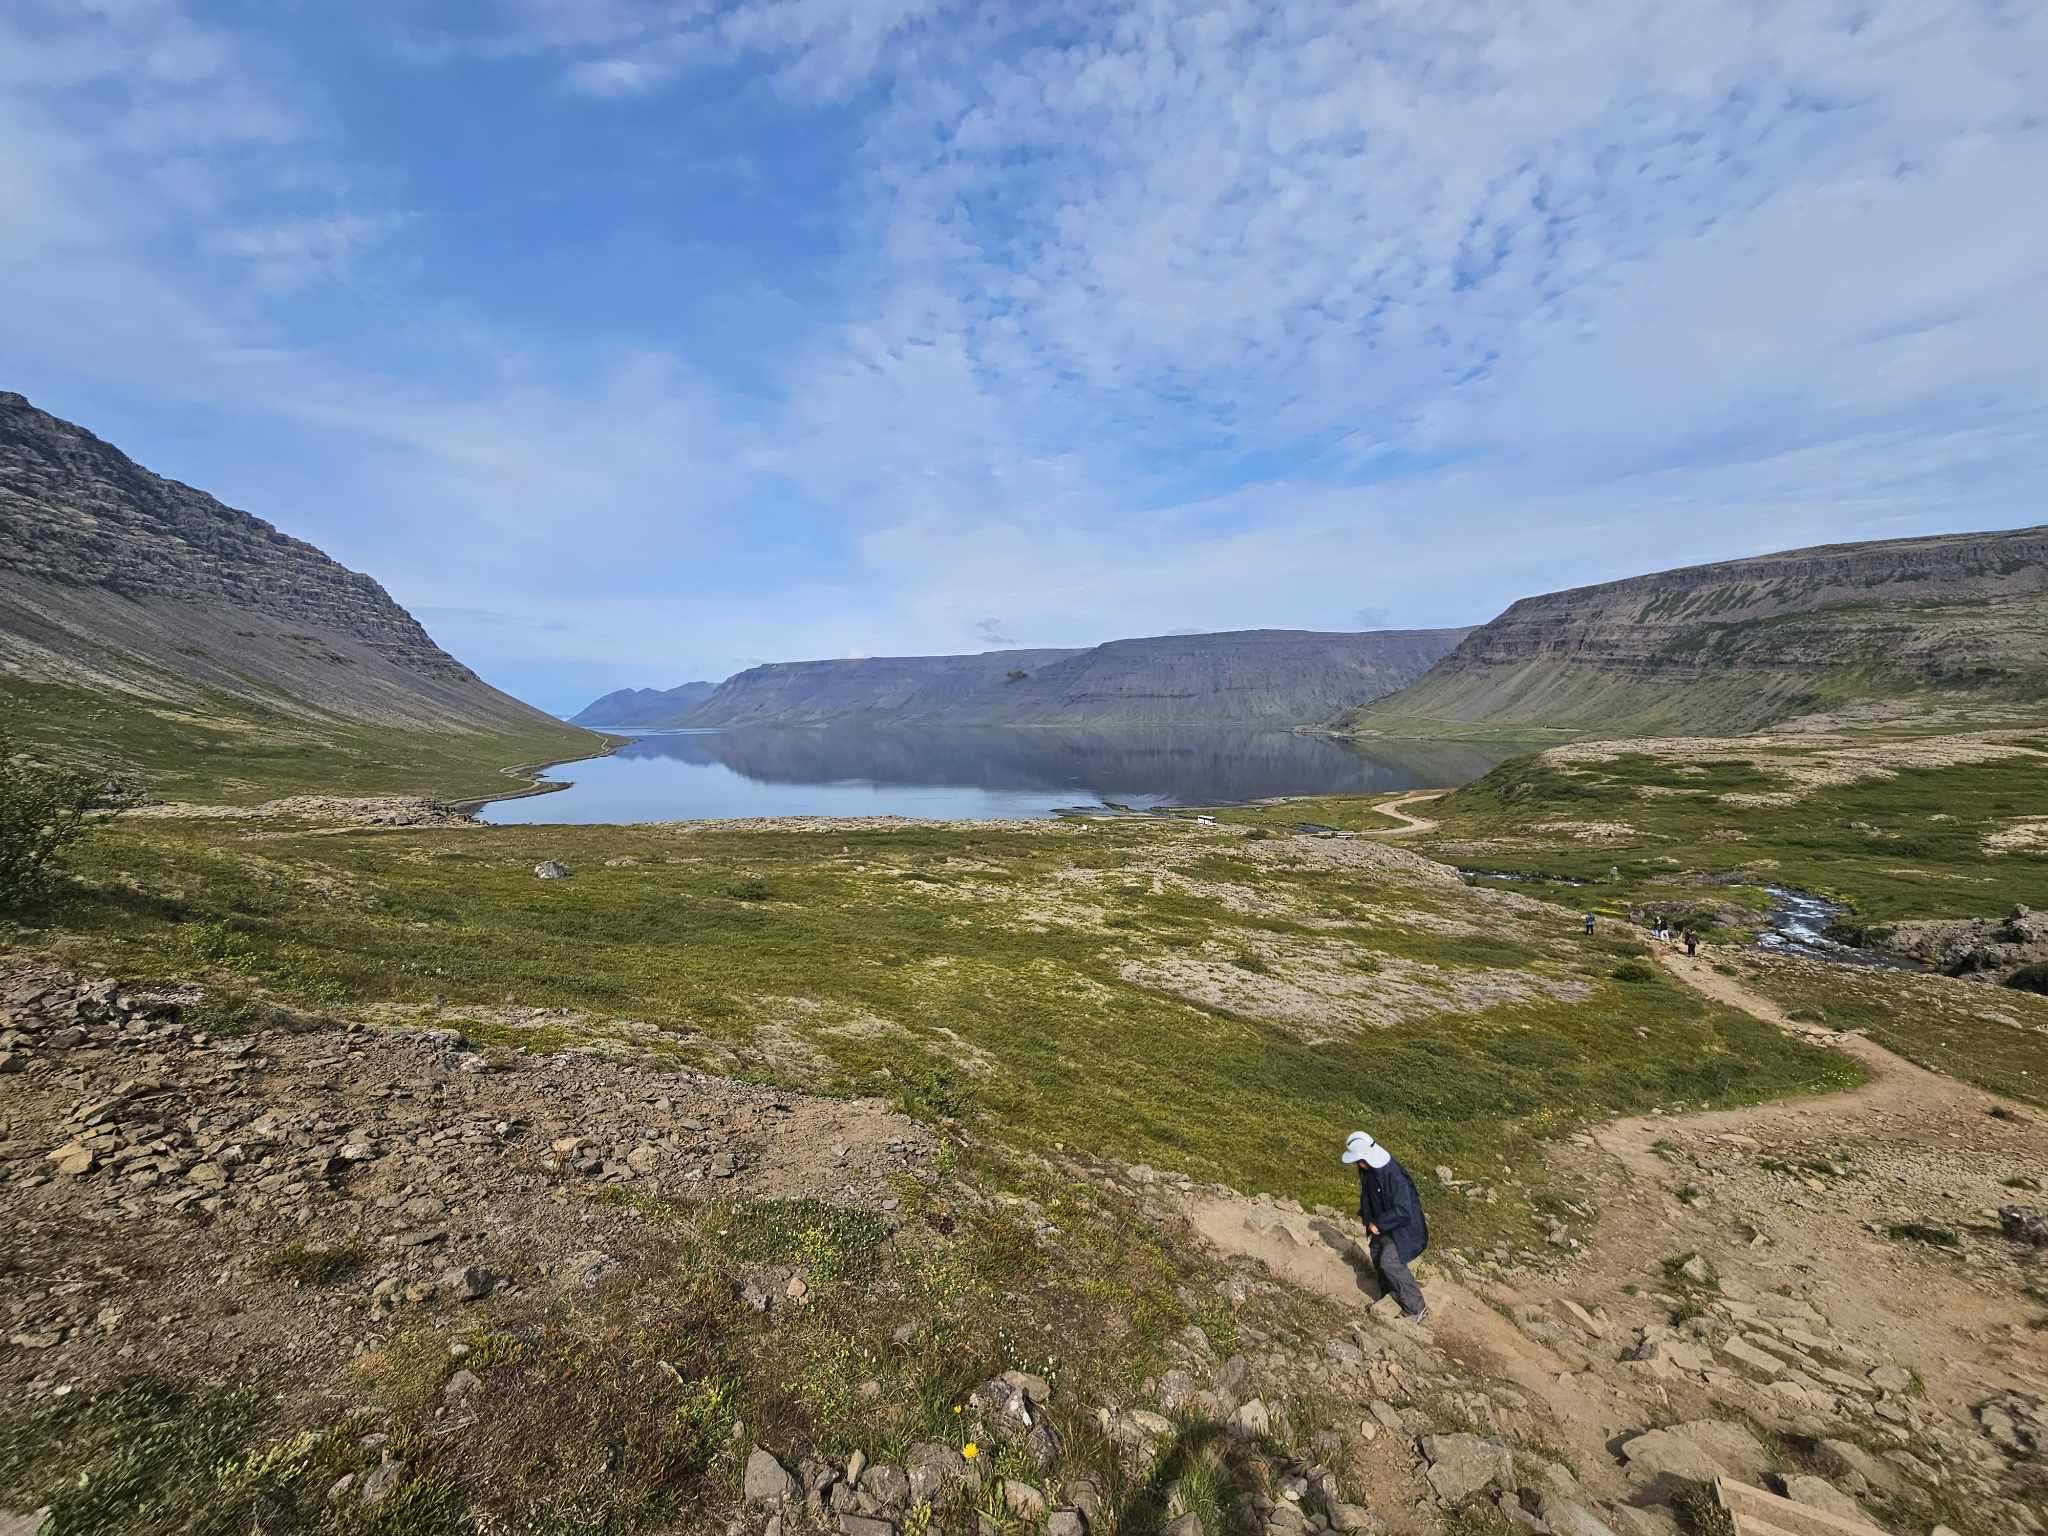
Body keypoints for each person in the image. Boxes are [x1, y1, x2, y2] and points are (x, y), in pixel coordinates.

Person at [1342, 1131, 1429, 1322]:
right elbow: (1369, 1196)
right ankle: (1389, 1296)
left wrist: (1378, 1223)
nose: (1358, 1165)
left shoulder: (1394, 1176)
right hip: (1382, 1225)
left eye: (1359, 1160)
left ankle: (1416, 1308)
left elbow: (1404, 1210)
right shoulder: (1368, 1170)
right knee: (1377, 1255)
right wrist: (1367, 1216)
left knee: (1390, 1262)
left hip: (1402, 1229)